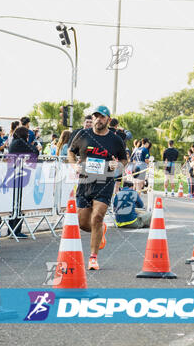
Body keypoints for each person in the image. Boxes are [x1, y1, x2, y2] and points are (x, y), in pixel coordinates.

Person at [68, 105, 127, 271]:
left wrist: (117, 166)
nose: (98, 119)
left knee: (97, 217)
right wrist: (74, 166)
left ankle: (93, 258)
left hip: (104, 182)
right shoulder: (82, 134)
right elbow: (71, 152)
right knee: (83, 223)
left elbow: (123, 159)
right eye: (96, 116)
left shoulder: (115, 140)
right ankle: (101, 229)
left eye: (101, 117)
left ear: (108, 119)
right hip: (85, 181)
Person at [6, 126, 40, 238]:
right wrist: (35, 146)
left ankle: (13, 229)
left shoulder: (15, 141)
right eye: (27, 135)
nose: (28, 137)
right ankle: (15, 230)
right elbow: (34, 152)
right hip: (17, 174)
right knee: (17, 203)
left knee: (16, 203)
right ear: (23, 134)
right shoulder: (20, 142)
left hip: (16, 173)